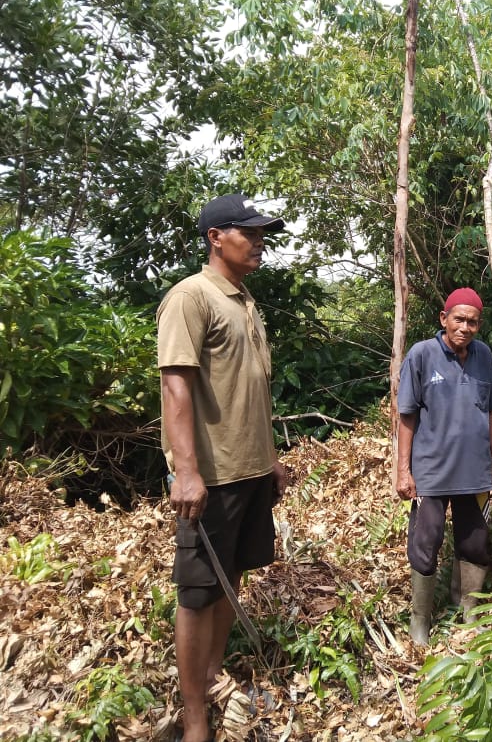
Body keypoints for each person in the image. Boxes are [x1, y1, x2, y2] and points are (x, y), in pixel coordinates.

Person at [157, 193, 289, 742]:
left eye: (261, 234)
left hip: (251, 469)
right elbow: (175, 384)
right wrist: (186, 471)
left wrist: (273, 461)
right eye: (248, 232)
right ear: (216, 237)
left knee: (233, 574)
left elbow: (250, 391)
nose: (259, 241)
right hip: (211, 475)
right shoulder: (192, 297)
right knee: (198, 592)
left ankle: (212, 677)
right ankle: (194, 720)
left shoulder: (244, 301)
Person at [396, 287, 492, 644]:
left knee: (474, 544)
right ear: (444, 319)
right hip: (431, 471)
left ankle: (468, 610)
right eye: (459, 319)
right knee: (426, 542)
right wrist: (402, 470)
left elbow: (489, 412)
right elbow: (407, 415)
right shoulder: (422, 355)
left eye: (472, 321)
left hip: (474, 471)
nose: (465, 327)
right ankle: (420, 619)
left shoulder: (483, 356)